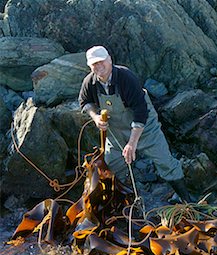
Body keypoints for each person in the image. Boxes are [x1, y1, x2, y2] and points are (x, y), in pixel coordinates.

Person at [79, 45, 191, 203]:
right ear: (89, 66)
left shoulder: (126, 78)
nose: (98, 66)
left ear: (109, 59)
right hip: (116, 131)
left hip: (145, 128)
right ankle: (130, 199)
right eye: (94, 64)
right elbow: (85, 102)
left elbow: (140, 112)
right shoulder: (89, 82)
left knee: (165, 162)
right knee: (112, 165)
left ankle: (187, 200)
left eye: (101, 61)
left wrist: (132, 143)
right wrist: (95, 117)